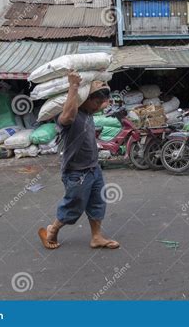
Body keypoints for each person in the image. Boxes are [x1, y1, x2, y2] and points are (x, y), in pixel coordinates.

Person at [38, 72, 120, 250]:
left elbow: (102, 102)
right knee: (74, 206)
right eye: (96, 102)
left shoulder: (89, 112)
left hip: (93, 168)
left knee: (98, 202)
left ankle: (96, 237)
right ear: (85, 99)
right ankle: (52, 229)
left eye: (100, 103)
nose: (99, 107)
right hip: (77, 172)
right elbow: (67, 116)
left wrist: (103, 86)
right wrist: (73, 87)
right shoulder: (70, 117)